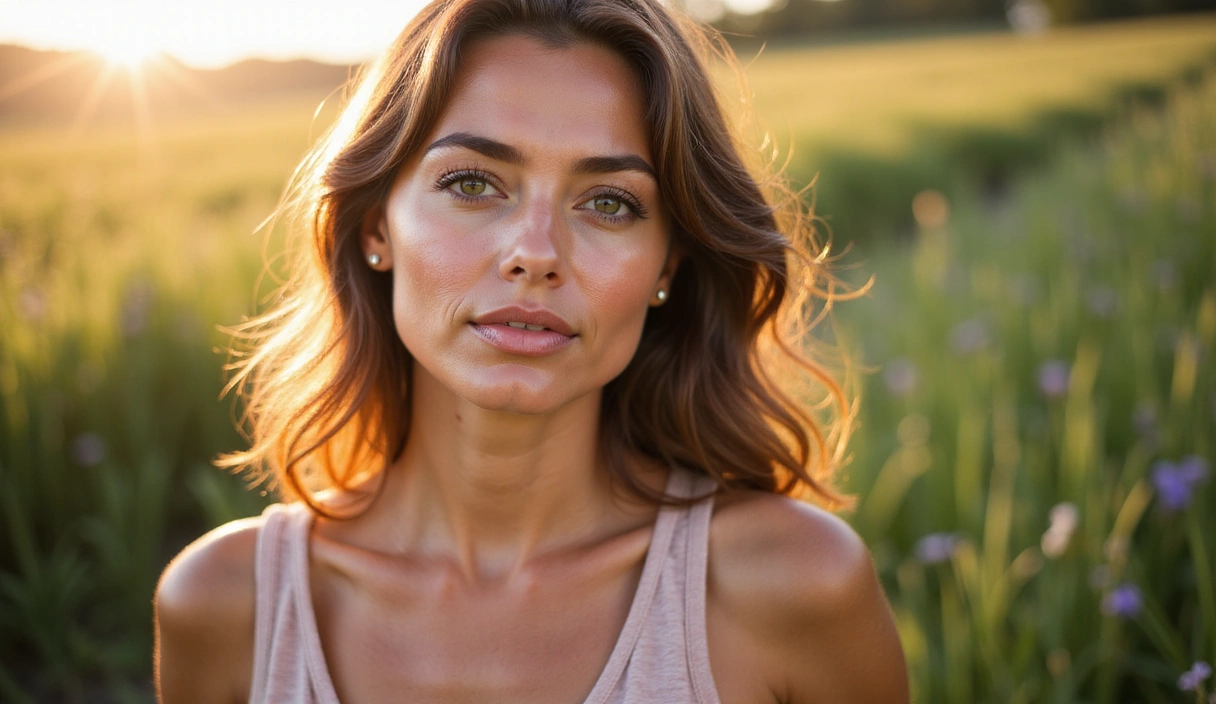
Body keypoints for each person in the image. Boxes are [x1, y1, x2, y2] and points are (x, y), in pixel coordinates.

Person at [154, 0, 909, 700]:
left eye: (609, 202)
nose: (536, 253)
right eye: (472, 184)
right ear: (376, 226)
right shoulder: (226, 606)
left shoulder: (794, 586)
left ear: (667, 266)